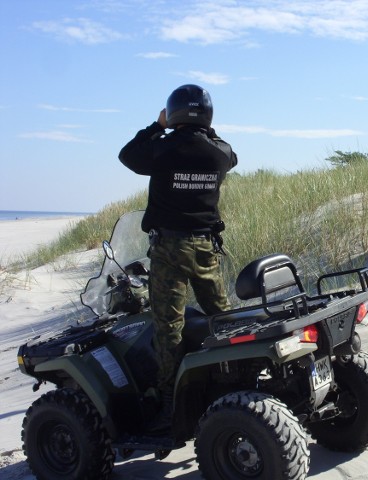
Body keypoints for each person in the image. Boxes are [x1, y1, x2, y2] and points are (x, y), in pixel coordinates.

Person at [119, 84, 237, 432]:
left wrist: (157, 127)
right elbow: (229, 155)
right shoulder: (220, 152)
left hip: (169, 250)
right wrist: (206, 130)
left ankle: (172, 402)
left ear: (174, 114)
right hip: (204, 248)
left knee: (168, 326)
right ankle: (233, 377)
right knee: (223, 317)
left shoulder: (162, 148)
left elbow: (128, 156)